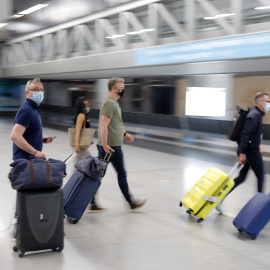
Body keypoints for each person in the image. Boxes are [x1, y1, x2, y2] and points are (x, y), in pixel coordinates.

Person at [90, 77, 147, 211]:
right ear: (115, 88)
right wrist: (104, 145)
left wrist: (125, 134)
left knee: (99, 174)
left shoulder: (114, 103)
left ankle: (92, 202)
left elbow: (115, 124)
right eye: (122, 87)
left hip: (111, 145)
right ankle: (131, 201)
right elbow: (103, 125)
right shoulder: (109, 103)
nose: (124, 89)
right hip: (111, 147)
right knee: (120, 174)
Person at [216, 92, 270, 213]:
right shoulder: (254, 115)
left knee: (241, 177)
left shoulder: (257, 114)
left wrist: (257, 145)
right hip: (249, 151)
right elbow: (245, 134)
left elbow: (253, 134)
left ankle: (220, 199)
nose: (268, 104)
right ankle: (259, 208)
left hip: (250, 149)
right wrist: (242, 153)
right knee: (261, 177)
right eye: (267, 101)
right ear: (261, 102)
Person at [11, 78, 55, 161]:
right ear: (27, 92)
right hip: (25, 161)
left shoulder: (34, 109)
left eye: (41, 90)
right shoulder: (27, 111)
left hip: (31, 161)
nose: (40, 92)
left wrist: (41, 139)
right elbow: (15, 136)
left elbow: (27, 134)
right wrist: (35, 152)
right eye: (35, 90)